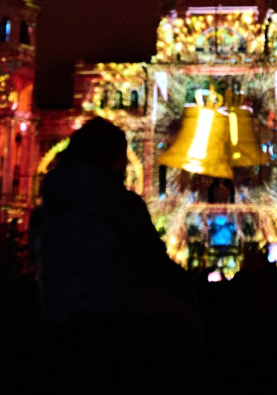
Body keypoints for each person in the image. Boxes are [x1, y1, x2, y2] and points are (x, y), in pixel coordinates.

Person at [30, 117, 182, 323]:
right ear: (115, 159)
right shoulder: (121, 203)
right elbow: (154, 264)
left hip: (58, 318)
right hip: (114, 319)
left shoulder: (48, 206)